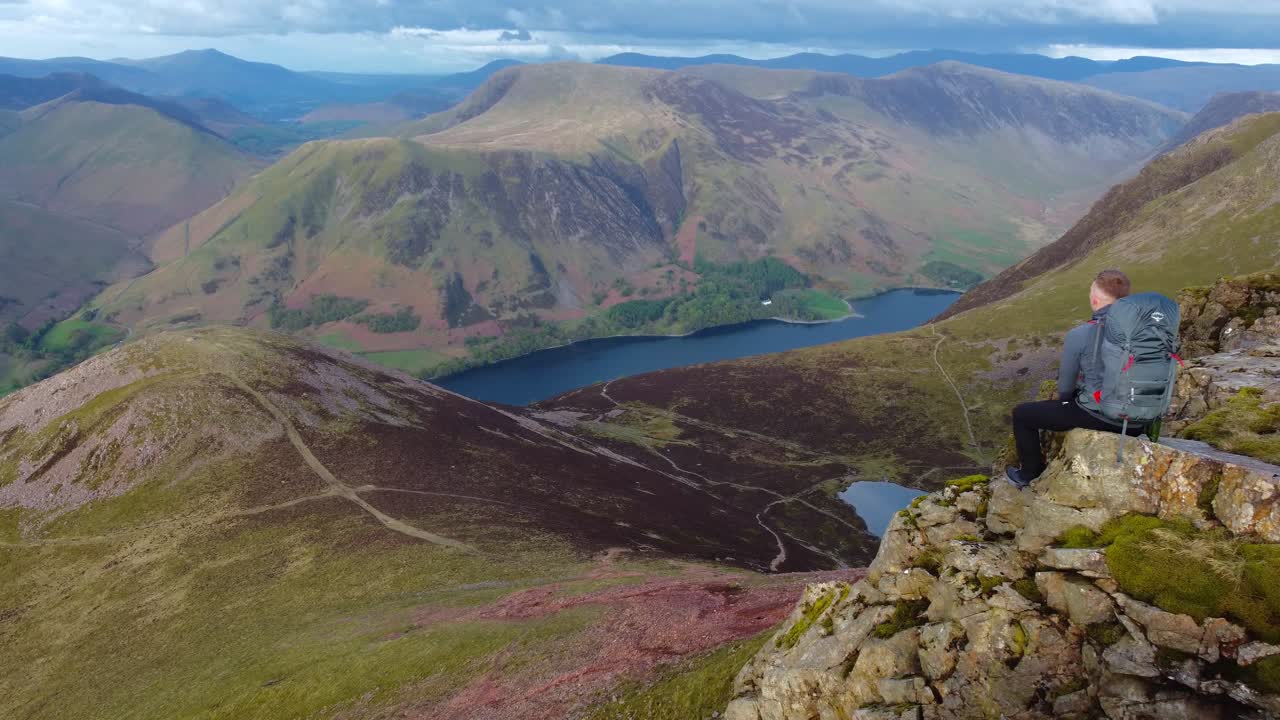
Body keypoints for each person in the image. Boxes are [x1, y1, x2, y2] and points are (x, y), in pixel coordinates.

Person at [1006, 269, 1145, 487]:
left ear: (1095, 298)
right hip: (1140, 421)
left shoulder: (1081, 334)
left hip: (1102, 417)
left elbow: (1066, 385)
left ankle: (1029, 473)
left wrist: (1067, 399)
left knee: (1023, 414)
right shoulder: (1146, 331)